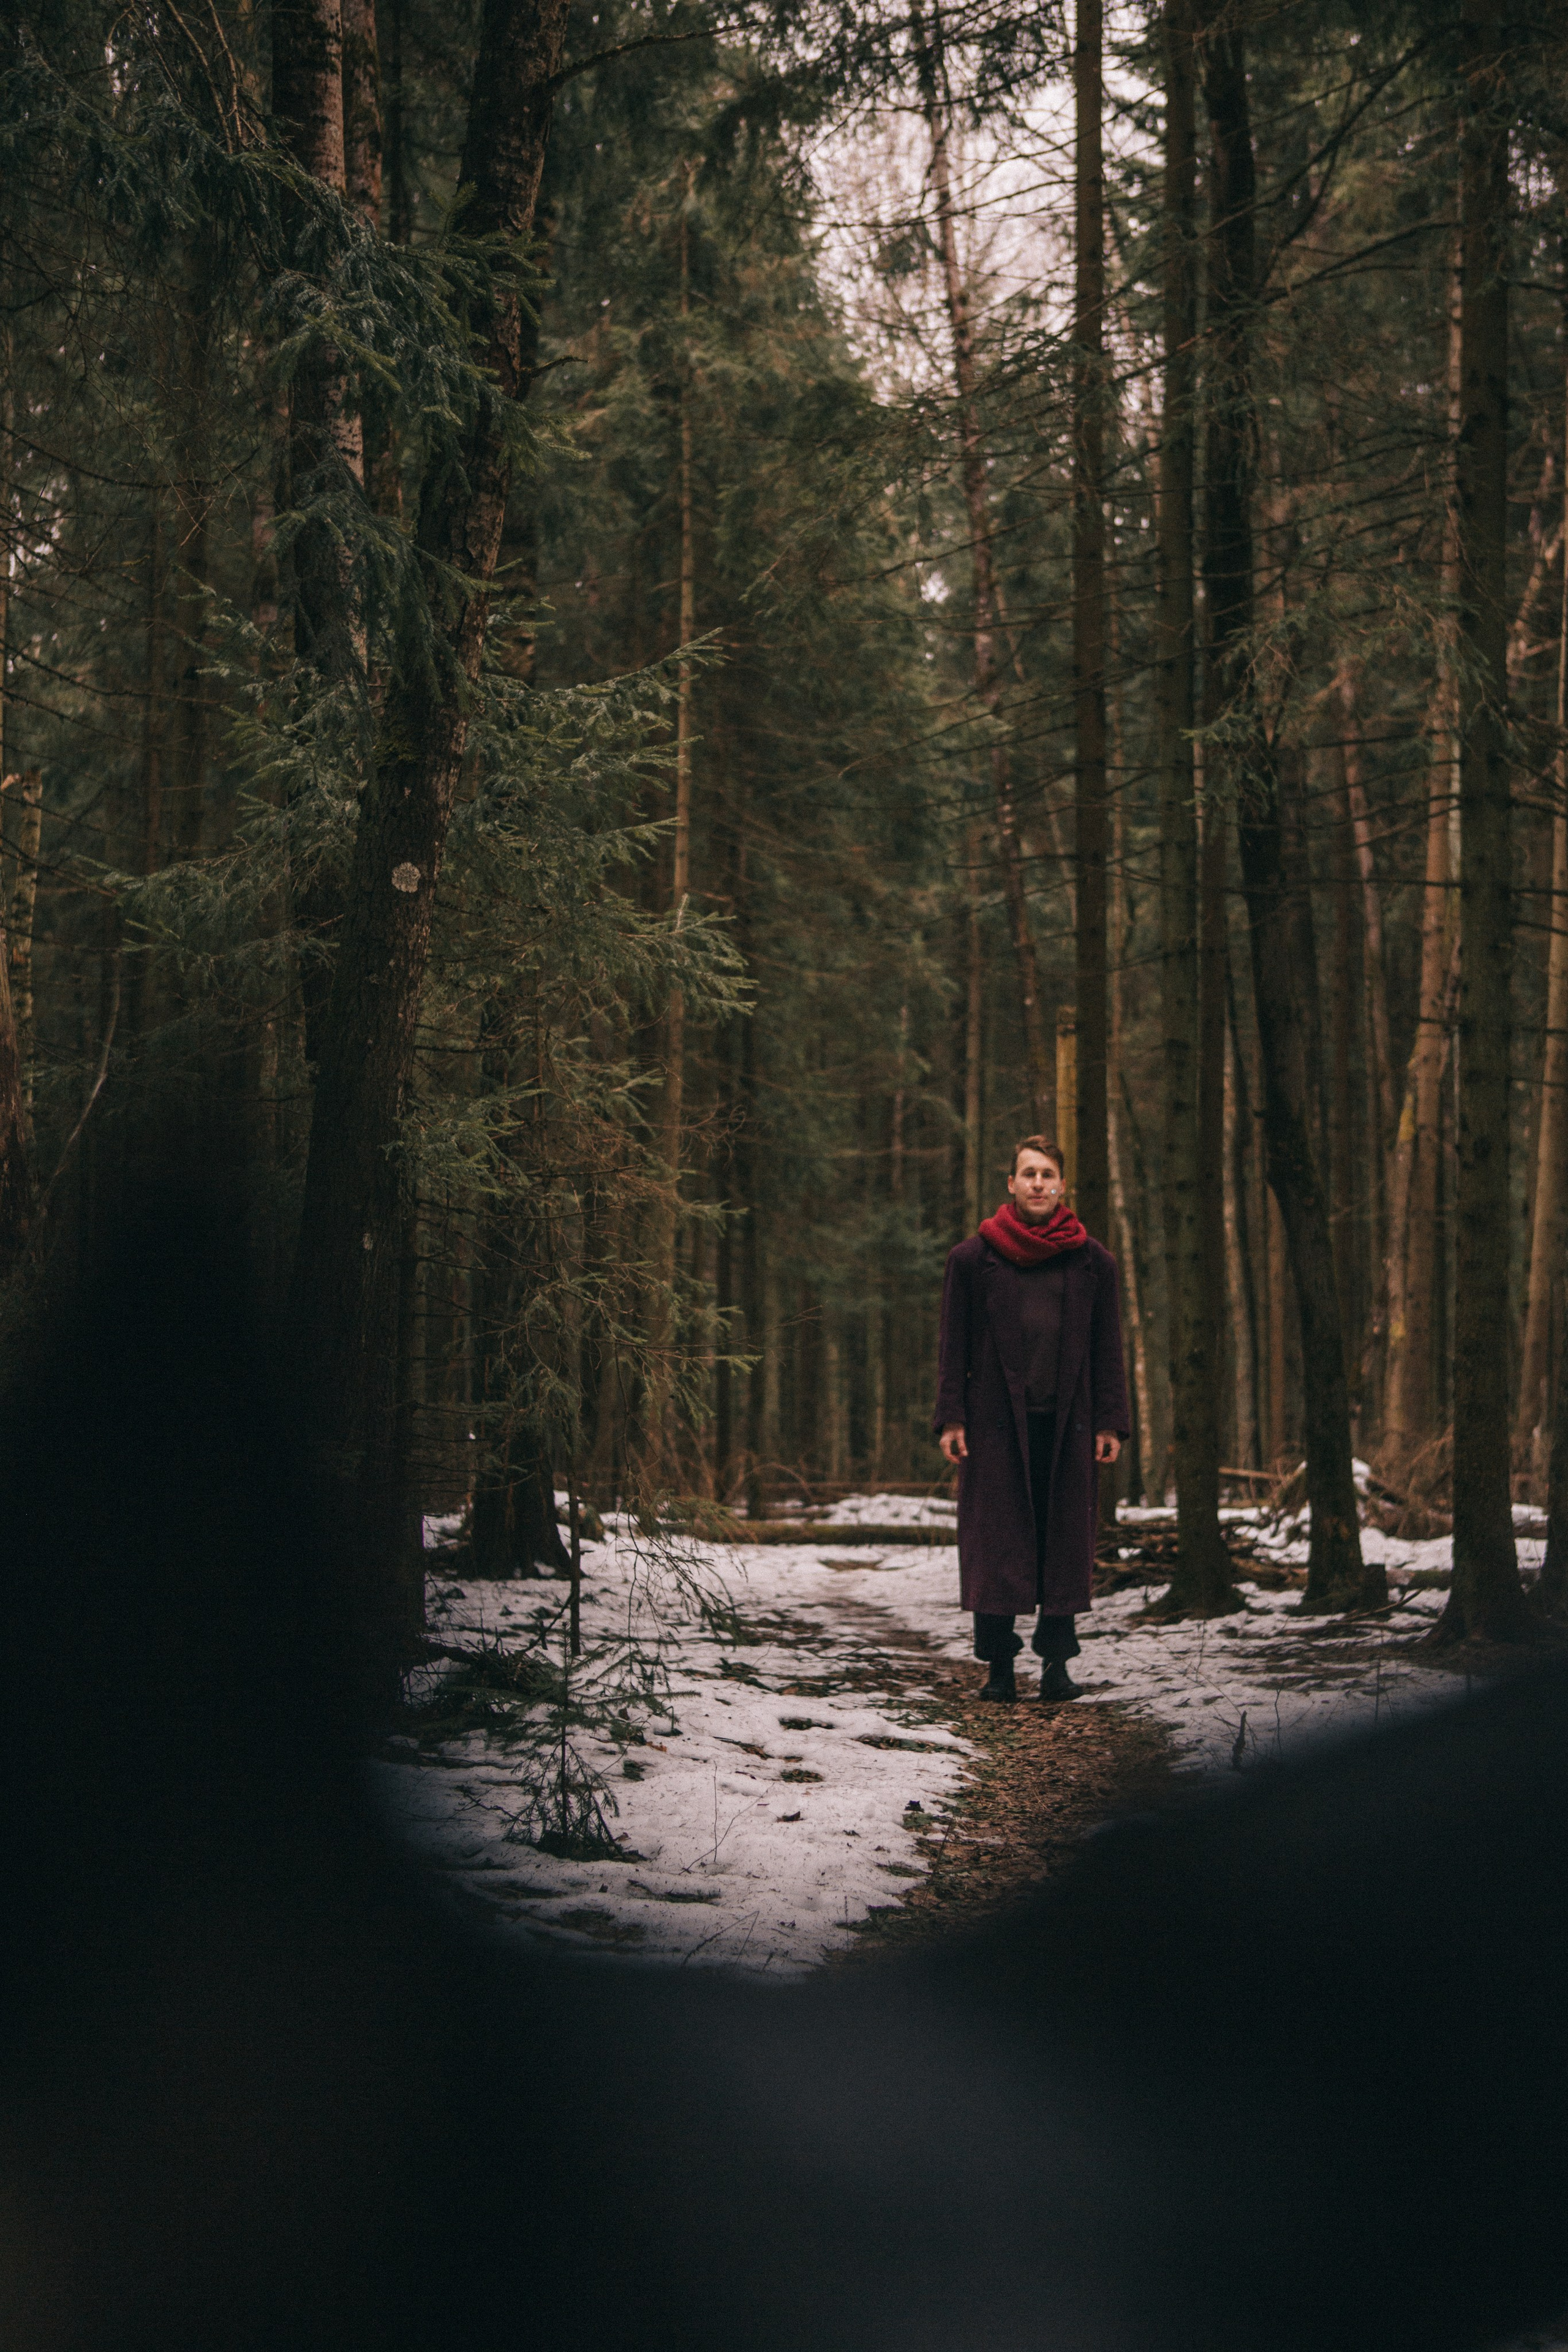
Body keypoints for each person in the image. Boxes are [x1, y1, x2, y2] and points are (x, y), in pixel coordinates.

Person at [933, 1137, 1131, 1702]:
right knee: (995, 1545)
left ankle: (1057, 1667)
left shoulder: (1093, 1262)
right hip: (994, 1427)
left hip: (1070, 1426)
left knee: (1063, 1545)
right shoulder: (972, 1260)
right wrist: (951, 1418)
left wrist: (1111, 1422)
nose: (1039, 1184)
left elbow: (1107, 1349)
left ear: (1062, 1186)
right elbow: (954, 1348)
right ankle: (998, 1668)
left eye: (1048, 1174)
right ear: (1011, 1185)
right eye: (1028, 1174)